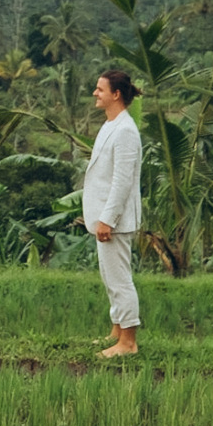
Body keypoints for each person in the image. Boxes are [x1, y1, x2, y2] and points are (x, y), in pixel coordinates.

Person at [81, 66, 144, 357]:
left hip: (114, 220)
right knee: (110, 277)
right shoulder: (111, 125)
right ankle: (117, 330)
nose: (95, 93)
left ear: (116, 94)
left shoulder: (126, 131)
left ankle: (128, 343)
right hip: (103, 219)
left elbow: (122, 181)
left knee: (120, 280)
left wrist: (108, 218)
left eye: (100, 89)